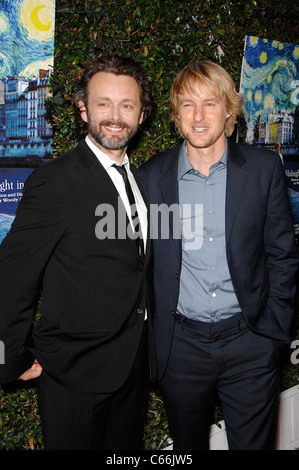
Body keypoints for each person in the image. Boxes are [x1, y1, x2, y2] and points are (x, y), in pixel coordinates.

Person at [139, 60, 298, 450]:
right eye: (187, 105)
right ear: (176, 115)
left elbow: (283, 254)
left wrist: (273, 332)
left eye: (210, 104)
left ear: (229, 110)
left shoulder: (263, 170)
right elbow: (140, 267)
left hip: (250, 343)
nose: (198, 116)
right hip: (180, 349)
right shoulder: (151, 178)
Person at [0, 55, 156, 450]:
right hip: (75, 376)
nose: (115, 116)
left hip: (133, 371)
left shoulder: (141, 179)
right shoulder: (56, 181)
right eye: (103, 103)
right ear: (83, 109)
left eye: (127, 105)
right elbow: (11, 277)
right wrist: (10, 358)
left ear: (142, 114)